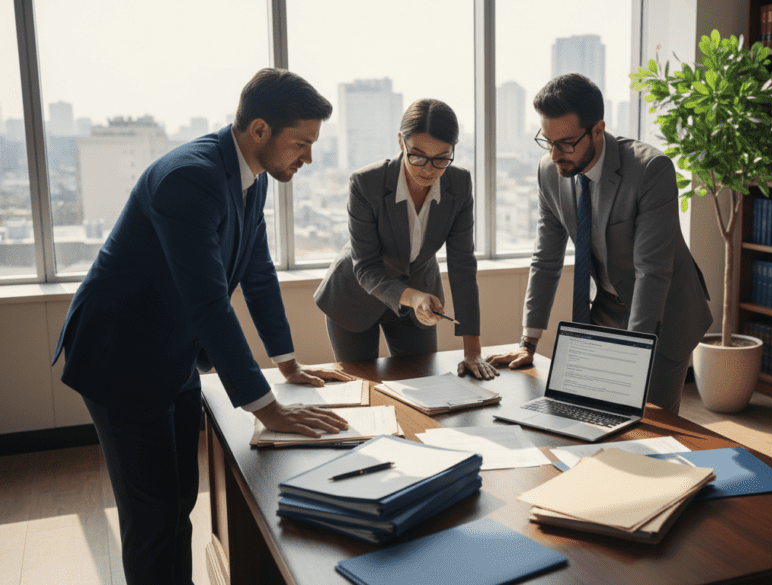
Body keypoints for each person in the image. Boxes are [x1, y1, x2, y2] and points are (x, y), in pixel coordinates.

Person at [51, 68, 349, 585]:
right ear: (260, 130)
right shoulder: (190, 178)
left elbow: (257, 272)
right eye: (300, 143)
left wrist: (287, 363)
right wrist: (267, 408)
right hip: (119, 357)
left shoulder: (249, 178)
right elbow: (209, 304)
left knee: (180, 501)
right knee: (152, 517)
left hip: (173, 353)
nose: (307, 157)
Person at [487, 73, 713, 414]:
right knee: (588, 411)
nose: (554, 153)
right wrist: (528, 342)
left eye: (565, 143)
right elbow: (546, 259)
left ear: (597, 130)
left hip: (665, 311)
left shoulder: (650, 170)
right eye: (547, 141)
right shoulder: (550, 171)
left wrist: (632, 358)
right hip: (607, 306)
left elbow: (652, 272)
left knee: (649, 422)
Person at [314, 99, 497, 380]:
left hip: (419, 295)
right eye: (418, 155)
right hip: (355, 295)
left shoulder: (459, 184)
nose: (428, 169)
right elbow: (366, 267)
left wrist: (472, 350)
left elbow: (462, 266)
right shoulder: (366, 183)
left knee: (424, 383)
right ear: (401, 142)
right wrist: (415, 298)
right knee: (364, 388)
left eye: (441, 158)